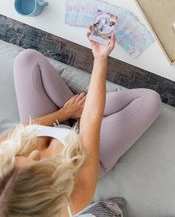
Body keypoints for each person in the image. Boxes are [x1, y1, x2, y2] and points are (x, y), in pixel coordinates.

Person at [0, 30, 161, 217]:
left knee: (26, 60)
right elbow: (91, 119)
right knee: (150, 101)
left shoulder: (4, 158)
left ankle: (73, 105)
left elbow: (26, 127)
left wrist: (64, 112)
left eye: (16, 161)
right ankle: (78, 105)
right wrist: (100, 58)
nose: (34, 152)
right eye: (35, 162)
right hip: (89, 154)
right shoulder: (76, 195)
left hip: (57, 123)